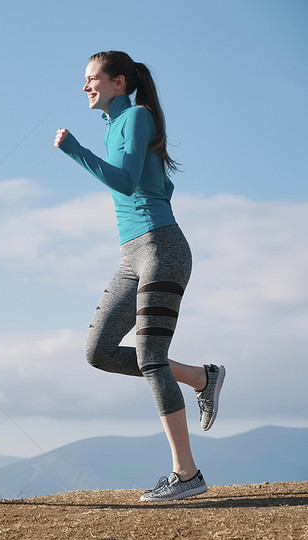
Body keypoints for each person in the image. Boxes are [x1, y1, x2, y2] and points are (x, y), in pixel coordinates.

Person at [54, 51, 226, 502]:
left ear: (118, 82)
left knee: (150, 354)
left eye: (92, 78)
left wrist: (75, 151)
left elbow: (129, 183)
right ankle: (201, 378)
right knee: (98, 351)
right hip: (133, 255)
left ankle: (186, 474)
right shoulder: (117, 126)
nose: (86, 87)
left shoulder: (137, 117)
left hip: (161, 249)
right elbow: (161, 186)